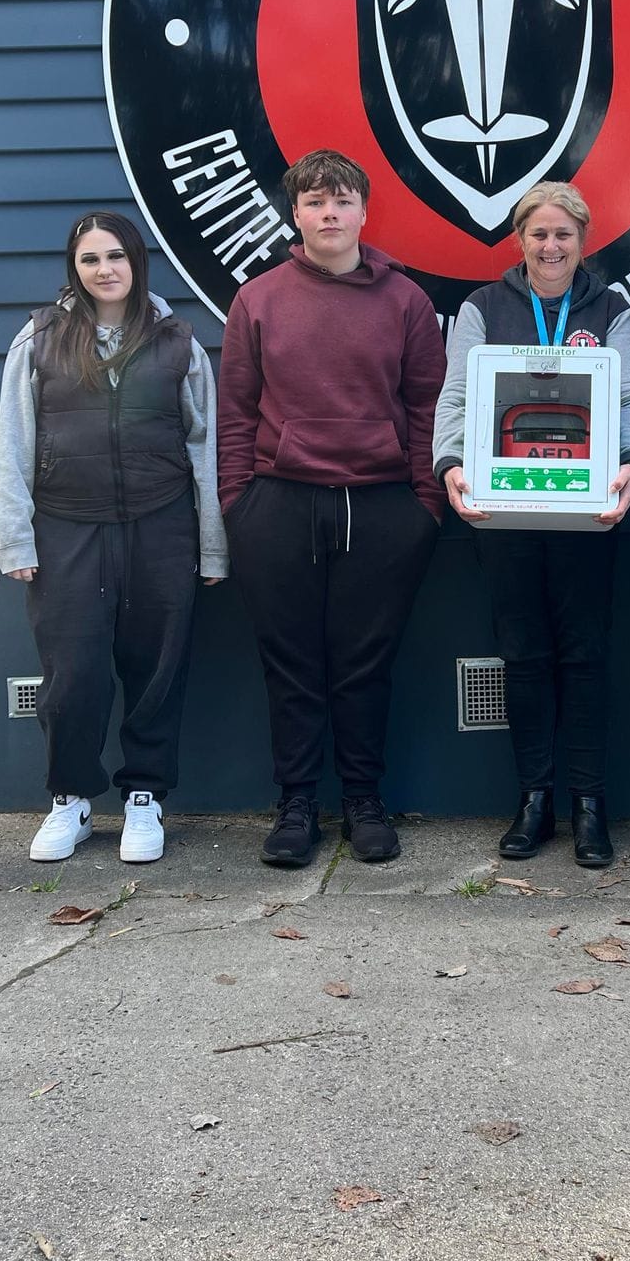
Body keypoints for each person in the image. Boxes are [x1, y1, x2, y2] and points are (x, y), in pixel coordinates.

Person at [218, 149, 446, 869]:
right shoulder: (257, 299)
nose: (329, 214)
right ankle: (295, 807)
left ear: (364, 212)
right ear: (296, 215)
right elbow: (233, 413)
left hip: (380, 508)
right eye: (315, 203)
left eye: (342, 201)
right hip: (278, 506)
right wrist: (237, 504)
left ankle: (363, 803)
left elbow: (428, 406)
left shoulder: (405, 302)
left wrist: (425, 507)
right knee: (289, 666)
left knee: (364, 664)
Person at [0, 211, 227, 865]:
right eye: (92, 259)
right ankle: (70, 800)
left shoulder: (176, 341)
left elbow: (204, 445)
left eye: (117, 256)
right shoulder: (38, 339)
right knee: (74, 673)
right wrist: (16, 538)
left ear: (137, 261)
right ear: (76, 268)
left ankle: (144, 798)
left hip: (161, 526)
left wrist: (211, 546)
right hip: (67, 529)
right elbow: (10, 440)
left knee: (156, 670)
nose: (106, 270)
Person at [432, 181, 630, 868]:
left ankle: (590, 803)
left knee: (585, 654)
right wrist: (450, 466)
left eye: (563, 235)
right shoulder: (482, 306)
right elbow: (459, 394)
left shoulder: (612, 309)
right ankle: (534, 800)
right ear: (519, 239)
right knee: (523, 654)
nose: (550, 246)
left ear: (582, 242)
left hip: (590, 513)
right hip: (505, 514)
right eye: (538, 233)